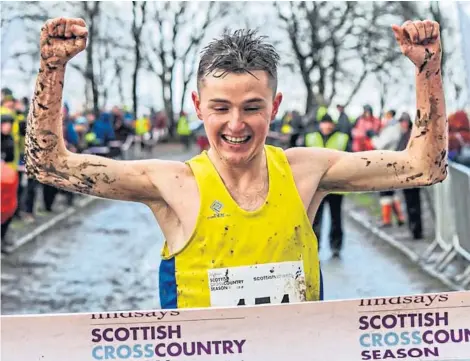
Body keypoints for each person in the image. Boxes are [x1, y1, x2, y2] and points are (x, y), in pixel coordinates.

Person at [25, 18, 448, 309]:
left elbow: (422, 167)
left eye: (251, 108)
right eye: (220, 107)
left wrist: (427, 69)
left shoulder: (305, 170)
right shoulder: (173, 183)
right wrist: (52, 66)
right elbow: (49, 166)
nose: (235, 125)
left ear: (275, 106)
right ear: (198, 106)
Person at [305, 114, 350, 258]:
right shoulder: (311, 137)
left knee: (336, 218)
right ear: (320, 124)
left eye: (329, 124)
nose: (327, 127)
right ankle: (314, 248)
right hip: (316, 186)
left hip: (336, 186)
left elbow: (350, 159)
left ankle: (336, 246)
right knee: (315, 218)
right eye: (324, 123)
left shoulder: (342, 138)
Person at [367, 110, 406, 228]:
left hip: (387, 162)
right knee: (390, 191)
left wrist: (372, 137)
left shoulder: (392, 129)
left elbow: (380, 144)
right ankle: (399, 218)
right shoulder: (393, 128)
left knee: (385, 192)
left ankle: (387, 220)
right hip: (390, 162)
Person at [396, 112, 423, 239]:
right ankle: (413, 229)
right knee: (409, 204)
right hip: (405, 176)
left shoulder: (412, 136)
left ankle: (416, 229)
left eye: (404, 121)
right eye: (401, 122)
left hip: (413, 175)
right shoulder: (403, 136)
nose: (402, 124)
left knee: (414, 204)